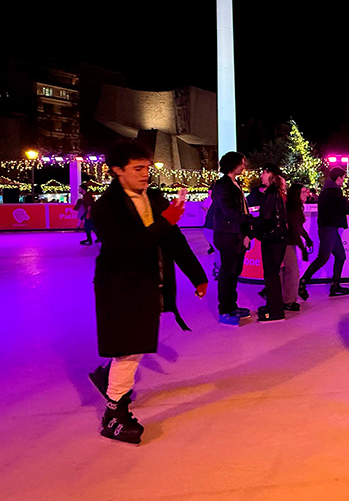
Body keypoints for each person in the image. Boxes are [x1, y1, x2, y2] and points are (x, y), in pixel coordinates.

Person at [88, 140, 207, 445]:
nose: (145, 174)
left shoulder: (153, 197)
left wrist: (197, 275)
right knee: (130, 349)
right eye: (137, 168)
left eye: (147, 167)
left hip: (150, 283)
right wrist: (165, 222)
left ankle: (106, 377)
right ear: (118, 171)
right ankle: (113, 414)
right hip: (120, 285)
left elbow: (174, 239)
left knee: (133, 345)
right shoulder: (106, 207)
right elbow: (124, 249)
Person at [212, 151, 254, 325]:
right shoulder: (222, 185)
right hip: (227, 234)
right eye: (242, 163)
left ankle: (232, 305)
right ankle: (225, 310)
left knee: (235, 271)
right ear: (233, 164)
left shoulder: (234, 184)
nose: (244, 166)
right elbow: (229, 212)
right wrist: (250, 219)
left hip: (236, 233)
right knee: (228, 272)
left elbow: (239, 211)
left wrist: (246, 232)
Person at [299, 167, 349, 297]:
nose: (343, 181)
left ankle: (335, 285)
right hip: (329, 229)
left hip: (329, 228)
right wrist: (348, 203)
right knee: (323, 257)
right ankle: (303, 280)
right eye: (343, 178)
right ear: (338, 178)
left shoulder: (326, 192)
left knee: (340, 256)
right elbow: (348, 209)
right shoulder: (334, 193)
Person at [253, 165, 287, 323]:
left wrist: (252, 227)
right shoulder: (277, 193)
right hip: (277, 239)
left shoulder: (271, 194)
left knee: (271, 274)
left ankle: (275, 311)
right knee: (273, 274)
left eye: (265, 172)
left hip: (271, 239)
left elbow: (266, 218)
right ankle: (274, 307)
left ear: (272, 175)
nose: (261, 175)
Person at [283, 183, 313, 311]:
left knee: (288, 271)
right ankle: (289, 301)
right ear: (297, 194)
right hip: (287, 242)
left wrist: (306, 239)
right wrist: (302, 248)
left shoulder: (295, 208)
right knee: (293, 272)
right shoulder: (293, 209)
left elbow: (298, 228)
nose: (307, 193)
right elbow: (295, 229)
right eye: (304, 191)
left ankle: (284, 298)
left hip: (288, 242)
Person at [201, 185, 220, 280]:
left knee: (218, 249)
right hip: (210, 229)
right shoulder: (217, 202)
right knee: (219, 250)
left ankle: (217, 269)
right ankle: (218, 270)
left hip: (209, 229)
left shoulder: (215, 202)